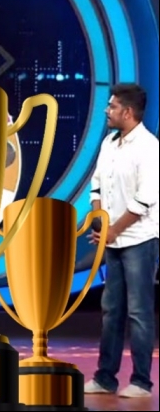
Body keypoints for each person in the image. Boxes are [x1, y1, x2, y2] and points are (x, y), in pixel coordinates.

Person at [85, 84, 159, 398]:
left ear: (127, 112)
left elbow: (144, 200)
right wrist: (101, 222)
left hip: (139, 241)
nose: (107, 110)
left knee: (139, 312)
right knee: (111, 311)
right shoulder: (108, 144)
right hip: (112, 241)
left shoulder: (149, 147)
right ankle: (105, 378)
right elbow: (96, 186)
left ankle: (141, 382)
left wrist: (114, 230)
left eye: (112, 106)